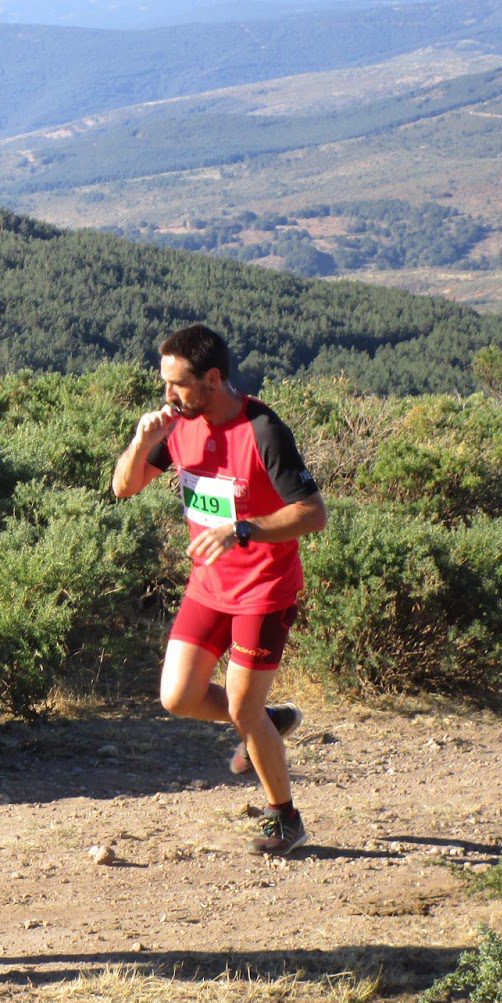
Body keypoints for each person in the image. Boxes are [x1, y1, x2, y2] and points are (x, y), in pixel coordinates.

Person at [112, 324, 327, 855]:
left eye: (177, 384)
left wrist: (243, 529)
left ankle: (285, 819)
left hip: (264, 590)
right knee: (177, 696)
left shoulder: (263, 429)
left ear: (212, 379)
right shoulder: (180, 426)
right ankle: (267, 723)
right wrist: (142, 440)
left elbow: (313, 514)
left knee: (241, 712)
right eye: (164, 383)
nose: (168, 395)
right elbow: (123, 487)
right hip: (209, 588)